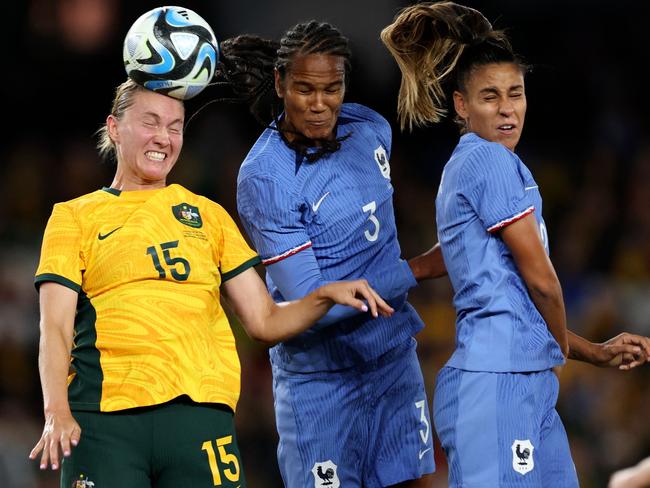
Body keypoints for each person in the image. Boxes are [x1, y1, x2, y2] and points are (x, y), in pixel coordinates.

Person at [27, 78, 394, 488]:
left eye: (175, 126)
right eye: (150, 122)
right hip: (105, 421)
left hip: (201, 422)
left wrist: (324, 295)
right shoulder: (74, 217)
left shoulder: (209, 215)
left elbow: (264, 320)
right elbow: (55, 327)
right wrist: (55, 409)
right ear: (115, 128)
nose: (163, 138)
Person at [380, 2, 650, 486]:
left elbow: (507, 294)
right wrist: (569, 355)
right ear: (461, 105)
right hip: (494, 386)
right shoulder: (489, 161)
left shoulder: (489, 164)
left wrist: (592, 351)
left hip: (526, 386)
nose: (507, 108)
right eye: (490, 96)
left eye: (515, 93)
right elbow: (542, 283)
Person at [213, 21, 444, 488]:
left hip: (393, 361)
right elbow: (311, 307)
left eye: (331, 88)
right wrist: (420, 268)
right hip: (321, 383)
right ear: (280, 85)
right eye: (304, 89)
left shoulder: (371, 129)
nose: (319, 104)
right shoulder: (266, 178)